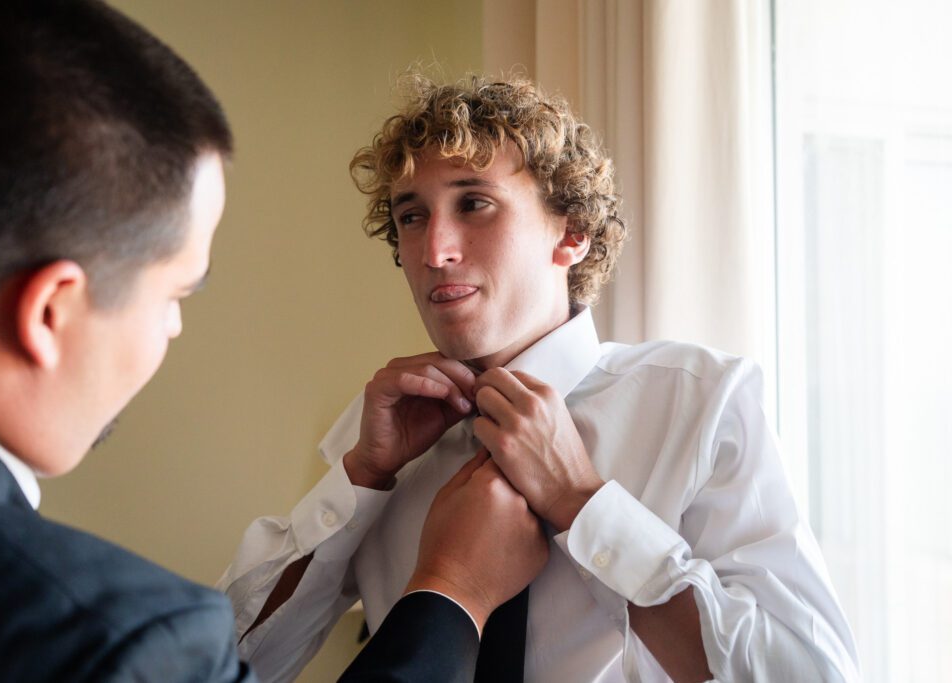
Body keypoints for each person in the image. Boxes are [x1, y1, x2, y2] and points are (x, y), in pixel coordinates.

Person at [0, 2, 545, 680]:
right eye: (175, 295)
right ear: (49, 311)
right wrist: (454, 588)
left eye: (475, 203)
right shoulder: (105, 634)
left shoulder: (678, 406)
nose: (172, 328)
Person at [220, 74, 862, 682]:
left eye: (474, 204)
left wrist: (582, 502)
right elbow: (229, 667)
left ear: (572, 232)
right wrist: (360, 478)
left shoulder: (698, 401)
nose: (433, 250)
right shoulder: (379, 438)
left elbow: (812, 672)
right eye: (411, 216)